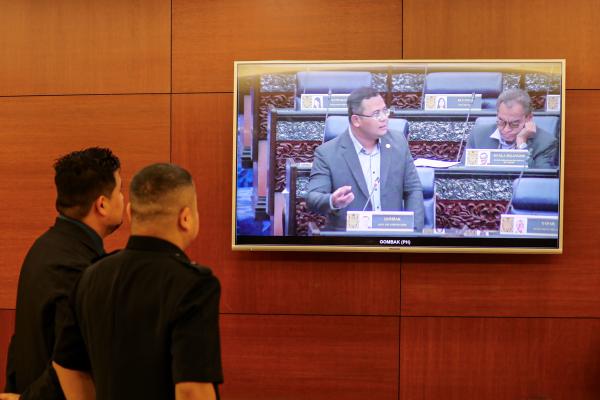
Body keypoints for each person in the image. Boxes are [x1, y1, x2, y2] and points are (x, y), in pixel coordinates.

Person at [52, 163, 223, 400]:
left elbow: (66, 365)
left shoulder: (91, 276)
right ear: (186, 218)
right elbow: (191, 390)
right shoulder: (193, 284)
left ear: (130, 213)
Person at [1, 147, 123, 400]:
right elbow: (68, 365)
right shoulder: (79, 268)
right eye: (120, 191)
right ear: (102, 204)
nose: (124, 199)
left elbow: (18, 344)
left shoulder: (44, 247)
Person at [307, 87, 424, 231]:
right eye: (376, 114)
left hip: (392, 235)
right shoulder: (327, 153)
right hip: (350, 238)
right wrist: (333, 201)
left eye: (385, 111)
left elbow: (413, 189)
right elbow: (313, 197)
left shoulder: (398, 143)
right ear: (356, 120)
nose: (384, 118)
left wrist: (415, 232)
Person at [465, 88, 557, 168]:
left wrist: (522, 144)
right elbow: (463, 172)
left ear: (529, 118)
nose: (506, 129)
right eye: (501, 121)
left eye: (514, 124)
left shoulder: (545, 143)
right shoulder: (478, 135)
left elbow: (538, 179)